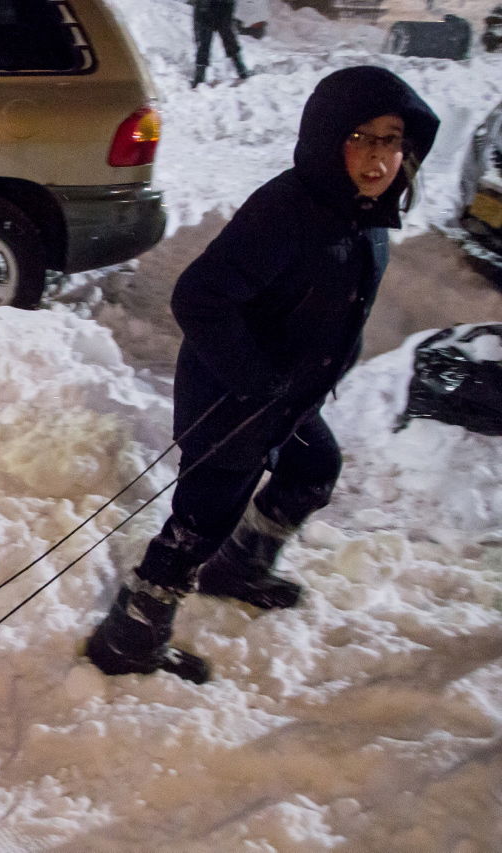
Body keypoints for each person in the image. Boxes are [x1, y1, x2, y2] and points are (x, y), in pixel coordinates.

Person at [86, 66, 440, 684]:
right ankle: (128, 639)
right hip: (234, 401)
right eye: (362, 137)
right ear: (329, 138)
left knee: (313, 468)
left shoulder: (360, 212)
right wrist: (253, 381)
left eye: (391, 138)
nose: (379, 155)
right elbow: (199, 298)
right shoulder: (288, 212)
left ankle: (240, 567)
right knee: (199, 522)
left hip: (287, 399)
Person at [192, 0, 250, 88]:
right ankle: (241, 69)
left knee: (207, 42)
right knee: (209, 41)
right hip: (214, 8)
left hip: (213, 8)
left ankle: (199, 77)